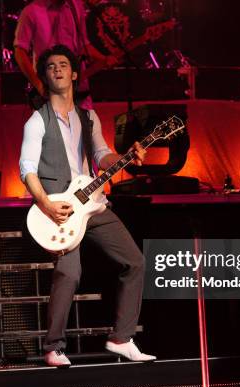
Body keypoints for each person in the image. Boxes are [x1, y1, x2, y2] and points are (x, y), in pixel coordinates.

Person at [19, 45, 155, 367]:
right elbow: (26, 168)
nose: (57, 69)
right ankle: (54, 347)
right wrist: (47, 206)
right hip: (60, 207)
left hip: (92, 202)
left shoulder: (88, 117)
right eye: (50, 66)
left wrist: (125, 159)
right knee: (70, 272)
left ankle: (121, 338)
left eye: (63, 64)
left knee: (135, 261)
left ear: (75, 74)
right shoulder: (36, 121)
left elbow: (101, 155)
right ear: (44, 77)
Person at [14, 0, 116, 109]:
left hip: (79, 89)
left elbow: (83, 46)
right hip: (50, 89)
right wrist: (39, 85)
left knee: (87, 125)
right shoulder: (31, 11)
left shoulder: (76, 6)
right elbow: (20, 52)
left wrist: (104, 59)